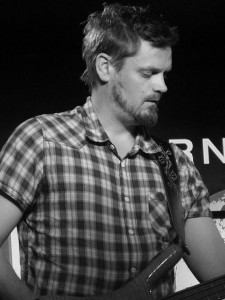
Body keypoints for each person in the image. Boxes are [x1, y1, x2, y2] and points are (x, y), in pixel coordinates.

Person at [0, 3, 225, 300]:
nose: (162, 86)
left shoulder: (176, 165)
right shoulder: (41, 140)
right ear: (105, 67)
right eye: (148, 73)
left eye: (165, 74)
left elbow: (218, 276)